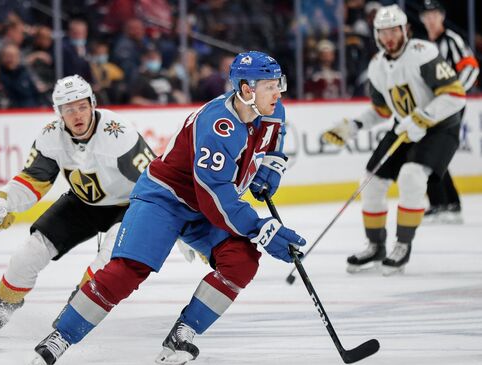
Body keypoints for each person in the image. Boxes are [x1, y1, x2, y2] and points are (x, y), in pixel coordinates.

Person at [30, 51, 307, 365]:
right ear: (246, 89)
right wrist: (260, 229)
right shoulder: (217, 126)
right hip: (164, 200)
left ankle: (183, 334)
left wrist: (271, 165)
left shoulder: (271, 110)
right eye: (271, 85)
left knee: (241, 261)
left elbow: (275, 134)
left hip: (204, 206)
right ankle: (60, 337)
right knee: (127, 271)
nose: (279, 92)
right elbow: (214, 197)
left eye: (279, 83)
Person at [0, 74, 156, 338]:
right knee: (28, 253)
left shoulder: (118, 134)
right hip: (82, 202)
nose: (77, 115)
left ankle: (75, 314)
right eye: (69, 109)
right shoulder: (51, 136)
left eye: (82, 106)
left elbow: (156, 182)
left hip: (128, 206)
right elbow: (33, 180)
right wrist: (3, 201)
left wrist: (178, 224)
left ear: (93, 104)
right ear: (58, 113)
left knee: (106, 262)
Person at [322, 5, 466, 276]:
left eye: (394, 31)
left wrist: (423, 117)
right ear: (376, 35)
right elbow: (382, 110)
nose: (389, 37)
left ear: (405, 31)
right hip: (406, 127)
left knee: (412, 177)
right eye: (383, 32)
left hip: (440, 128)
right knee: (372, 181)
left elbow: (455, 94)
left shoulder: (424, 54)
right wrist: (353, 126)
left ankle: (402, 245)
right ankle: (375, 245)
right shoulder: (377, 66)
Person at [419, 0, 479, 224]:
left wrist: (454, 95)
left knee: (432, 151)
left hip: (449, 107)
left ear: (442, 16)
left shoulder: (452, 40)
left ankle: (444, 204)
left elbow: (471, 66)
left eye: (434, 14)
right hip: (434, 107)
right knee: (432, 152)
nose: (431, 19)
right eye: (427, 15)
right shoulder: (426, 46)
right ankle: (446, 203)